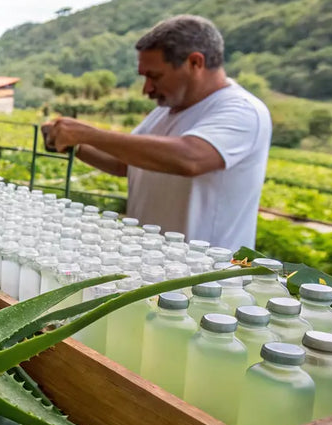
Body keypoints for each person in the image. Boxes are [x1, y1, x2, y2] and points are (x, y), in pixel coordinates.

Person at [41, 15, 271, 251]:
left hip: (205, 276)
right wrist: (74, 144)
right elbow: (124, 162)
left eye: (155, 76)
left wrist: (89, 134)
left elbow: (190, 158)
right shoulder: (166, 110)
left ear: (195, 63)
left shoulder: (242, 110)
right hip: (153, 263)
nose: (147, 89)